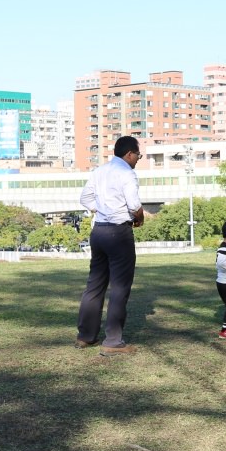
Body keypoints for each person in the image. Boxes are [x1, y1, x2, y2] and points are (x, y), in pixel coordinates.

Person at [76, 135, 145, 356]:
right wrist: (140, 216)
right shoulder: (127, 173)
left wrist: (102, 209)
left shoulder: (99, 171)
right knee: (119, 287)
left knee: (95, 285)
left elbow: (85, 198)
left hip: (99, 232)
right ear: (129, 154)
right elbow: (134, 204)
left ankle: (85, 337)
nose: (137, 160)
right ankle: (113, 341)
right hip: (119, 232)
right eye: (138, 155)